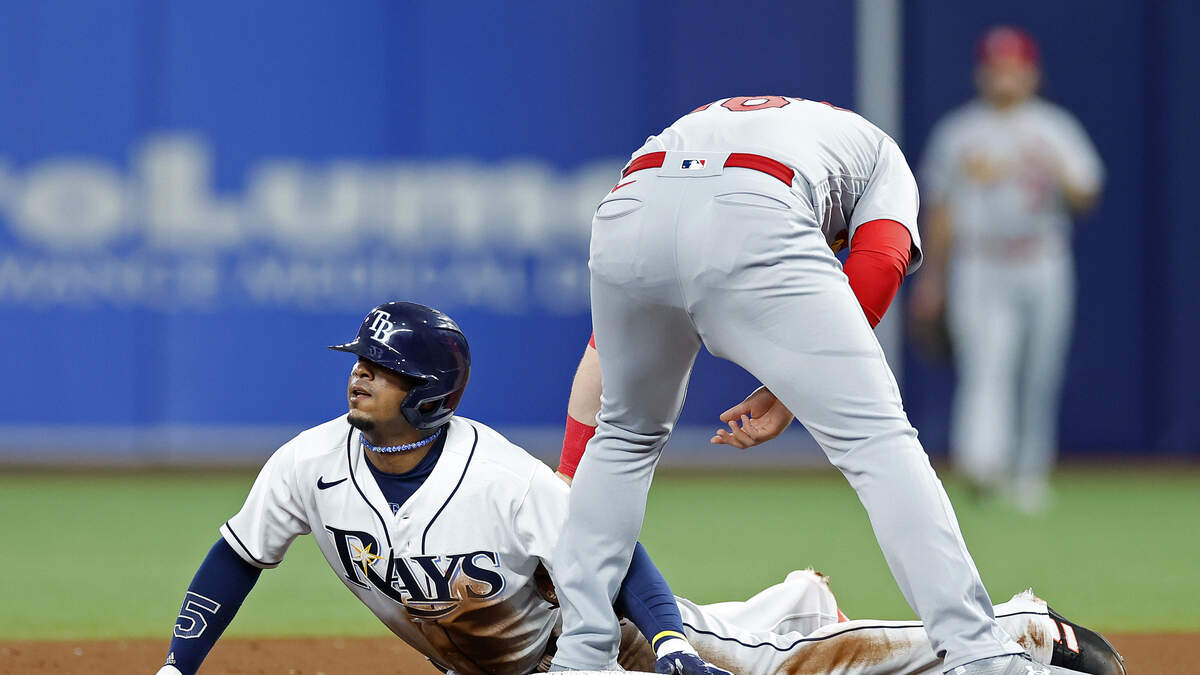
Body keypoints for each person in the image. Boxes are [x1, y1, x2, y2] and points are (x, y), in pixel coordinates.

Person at [152, 300, 1124, 675]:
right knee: (756, 638)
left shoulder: (496, 476)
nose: (359, 375)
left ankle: (1019, 636)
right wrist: (174, 670)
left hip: (594, 640)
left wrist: (662, 640)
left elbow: (611, 560)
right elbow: (235, 559)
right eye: (359, 361)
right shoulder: (306, 466)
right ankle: (790, 604)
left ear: (433, 392)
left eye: (383, 366)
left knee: (771, 669)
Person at [547, 94, 1085, 675]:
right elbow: (878, 262)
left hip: (628, 206)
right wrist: (791, 391)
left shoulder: (724, 125)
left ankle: (581, 659)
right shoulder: (883, 157)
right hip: (754, 204)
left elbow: (602, 363)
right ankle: (981, 658)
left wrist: (567, 480)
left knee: (625, 435)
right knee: (878, 442)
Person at [910, 26, 1104, 512]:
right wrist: (932, 278)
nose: (1005, 77)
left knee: (1039, 370)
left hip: (1042, 257)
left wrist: (1053, 168)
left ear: (1031, 73)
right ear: (983, 73)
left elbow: (1087, 193)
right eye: (996, 68)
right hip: (981, 260)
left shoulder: (1054, 128)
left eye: (1013, 68)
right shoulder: (960, 132)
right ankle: (982, 463)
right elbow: (942, 209)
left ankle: (1028, 473)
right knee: (985, 364)